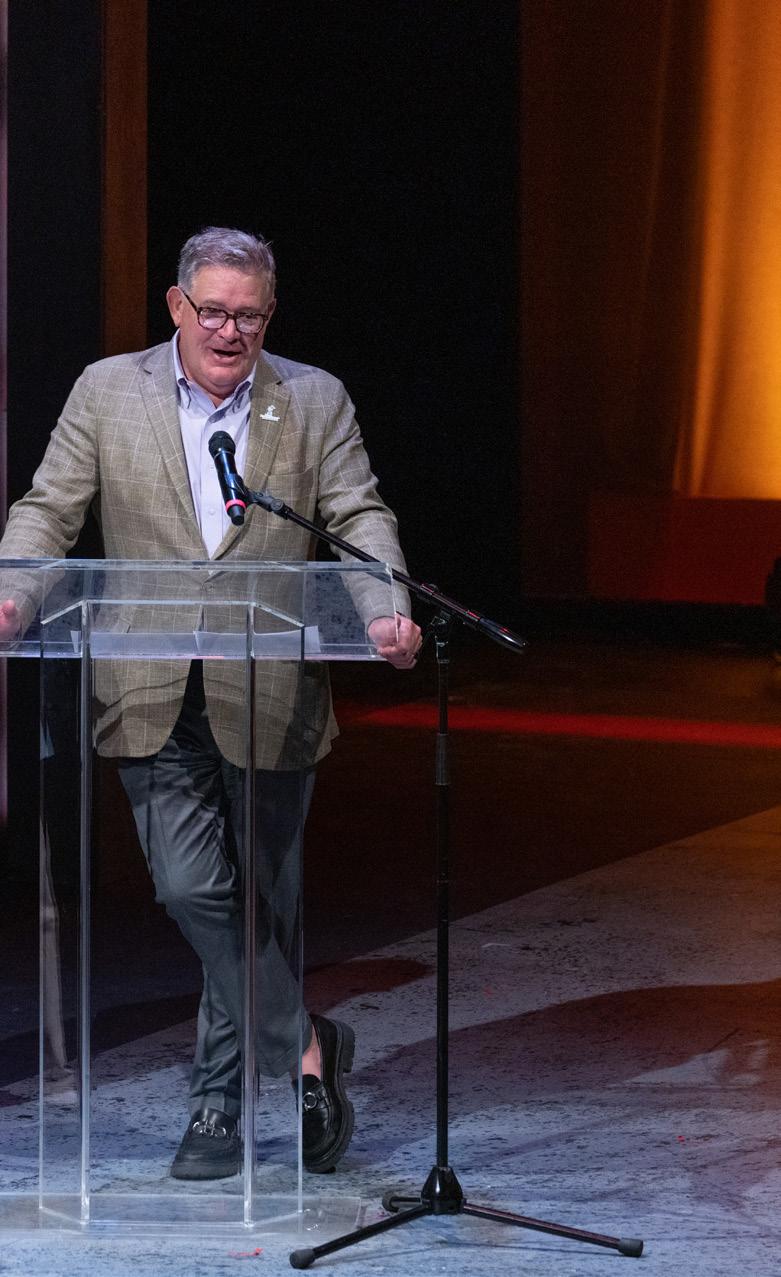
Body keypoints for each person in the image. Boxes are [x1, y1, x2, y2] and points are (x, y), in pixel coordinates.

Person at [0, 227, 422, 1179]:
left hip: (268, 686)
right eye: (215, 311)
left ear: (270, 316)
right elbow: (49, 507)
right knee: (194, 892)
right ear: (177, 306)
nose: (231, 331)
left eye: (250, 315)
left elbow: (357, 515)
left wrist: (383, 608)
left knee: (259, 904)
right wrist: (14, 590)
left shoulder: (312, 398)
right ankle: (306, 1044)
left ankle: (214, 1108)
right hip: (145, 682)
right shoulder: (108, 390)